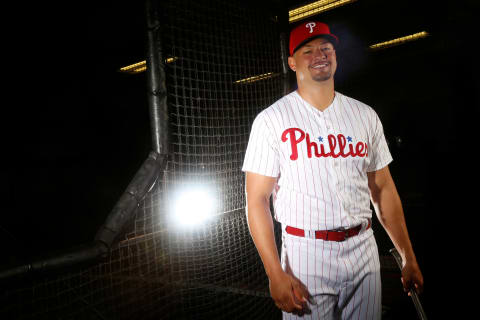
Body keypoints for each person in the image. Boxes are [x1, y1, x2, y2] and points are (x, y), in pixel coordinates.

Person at [242, 21, 424, 319]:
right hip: (305, 254)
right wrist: (275, 273)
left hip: (363, 249)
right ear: (292, 62)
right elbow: (257, 200)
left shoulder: (364, 115)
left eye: (326, 48)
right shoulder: (271, 120)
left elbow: (382, 188)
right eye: (308, 50)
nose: (320, 55)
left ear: (336, 56)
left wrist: (408, 256)